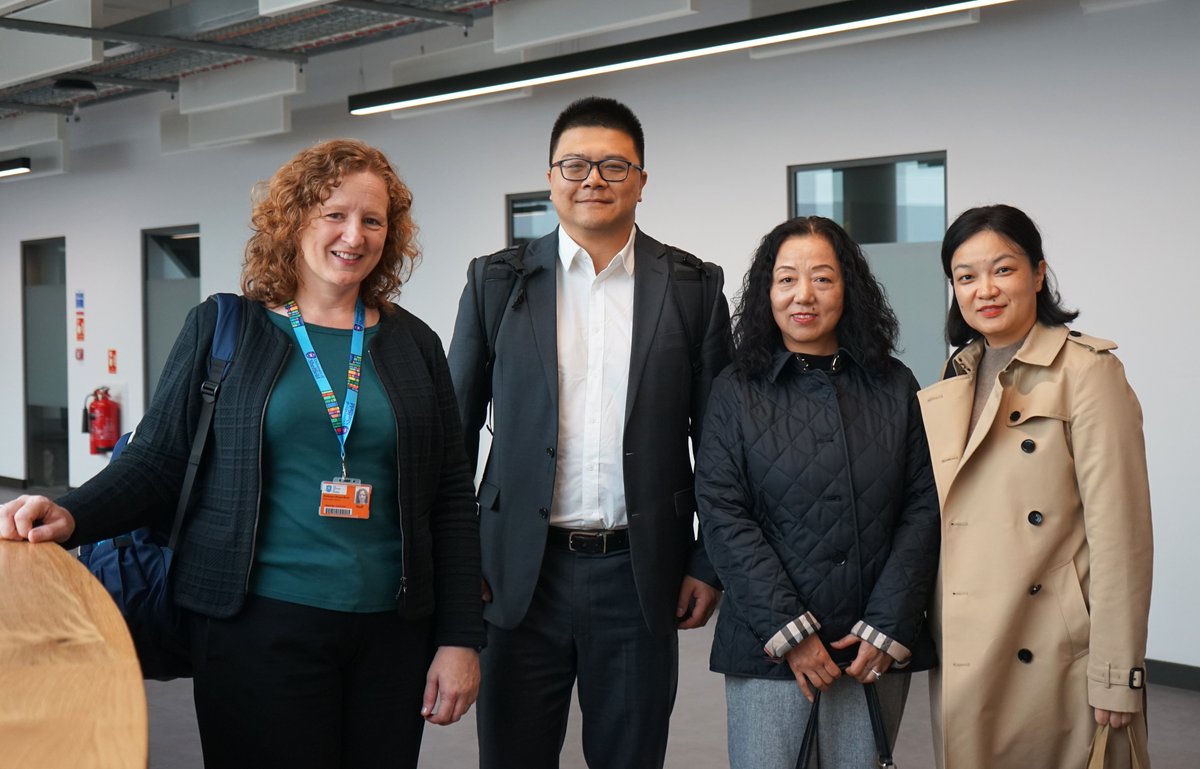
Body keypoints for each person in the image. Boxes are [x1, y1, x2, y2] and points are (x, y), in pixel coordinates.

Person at [0, 139, 483, 769]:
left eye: (373, 220)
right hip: (255, 626)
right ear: (295, 220)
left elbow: (450, 495)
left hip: (391, 631)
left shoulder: (412, 342)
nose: (353, 235)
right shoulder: (228, 328)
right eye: (333, 214)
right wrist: (72, 513)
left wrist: (459, 639)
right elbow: (158, 459)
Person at [447, 96, 731, 769]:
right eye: (574, 164)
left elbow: (721, 444)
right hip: (516, 573)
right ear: (550, 177)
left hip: (640, 574)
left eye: (612, 165)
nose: (592, 180)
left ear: (640, 179)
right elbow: (453, 433)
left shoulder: (691, 286)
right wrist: (457, 565)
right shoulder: (496, 280)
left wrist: (705, 559)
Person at [694, 216, 940, 769]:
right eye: (786, 279)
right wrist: (791, 633)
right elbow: (722, 513)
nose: (804, 295)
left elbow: (924, 508)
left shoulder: (896, 386)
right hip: (769, 645)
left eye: (823, 278)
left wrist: (890, 623)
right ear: (767, 293)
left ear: (849, 289)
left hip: (867, 645)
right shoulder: (735, 391)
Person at [917, 204, 1153, 769]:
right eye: (966, 277)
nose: (985, 290)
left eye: (1003, 269)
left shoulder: (1088, 372)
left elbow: (1121, 535)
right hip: (967, 645)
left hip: (1052, 652)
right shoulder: (956, 375)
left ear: (1038, 273)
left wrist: (1118, 673)